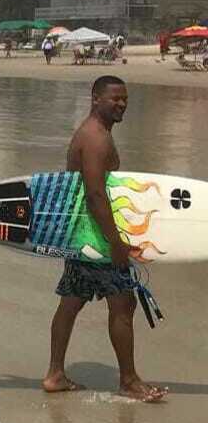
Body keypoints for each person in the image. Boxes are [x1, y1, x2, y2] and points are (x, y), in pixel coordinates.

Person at [44, 76, 168, 402]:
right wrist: (115, 243)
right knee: (123, 302)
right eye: (115, 98)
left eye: (125, 98)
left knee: (71, 302)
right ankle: (129, 381)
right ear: (95, 98)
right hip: (96, 238)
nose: (122, 104)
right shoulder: (96, 138)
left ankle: (55, 374)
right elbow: (96, 195)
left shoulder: (94, 133)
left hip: (80, 235)